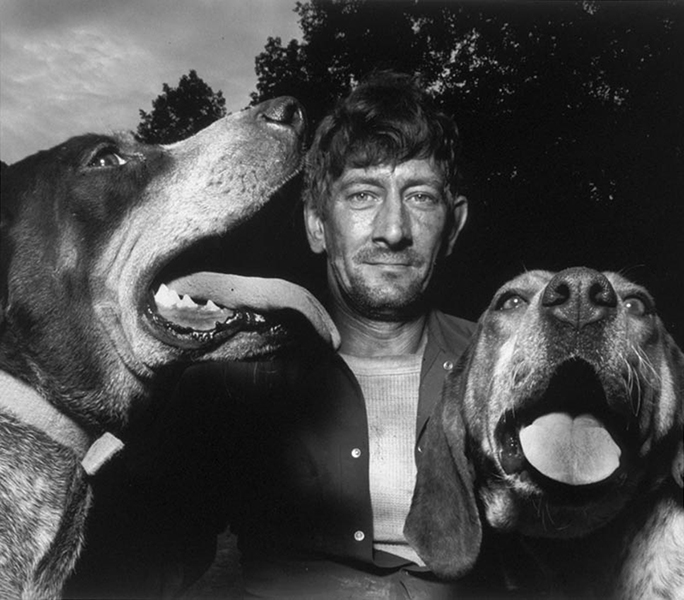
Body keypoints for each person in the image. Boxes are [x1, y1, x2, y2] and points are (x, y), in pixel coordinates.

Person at [67, 71, 478, 599]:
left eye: (420, 196)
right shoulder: (238, 378)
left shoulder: (504, 363)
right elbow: (147, 553)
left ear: (454, 224)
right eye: (362, 196)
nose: (393, 229)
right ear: (315, 223)